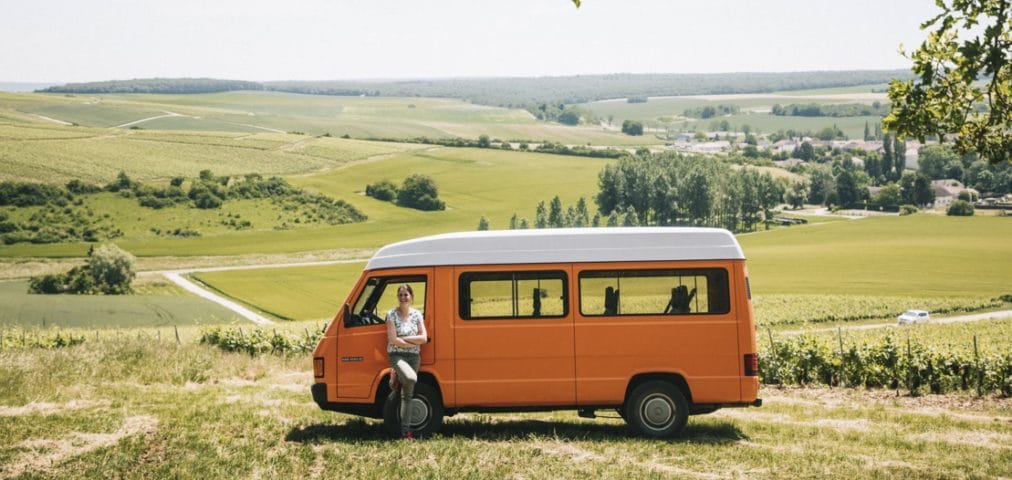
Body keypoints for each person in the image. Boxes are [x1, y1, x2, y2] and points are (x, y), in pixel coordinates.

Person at [386, 284, 428, 439]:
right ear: (398, 297)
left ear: (411, 297)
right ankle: (396, 371)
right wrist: (412, 341)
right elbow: (392, 340)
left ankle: (405, 431)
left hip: (414, 357)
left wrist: (402, 339)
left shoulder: (417, 315)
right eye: (401, 295)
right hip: (397, 356)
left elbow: (423, 338)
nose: (403, 297)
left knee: (407, 395)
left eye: (406, 295)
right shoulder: (391, 314)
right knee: (410, 378)